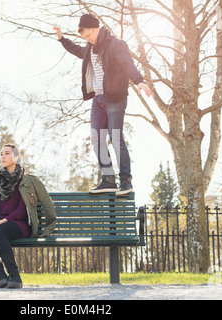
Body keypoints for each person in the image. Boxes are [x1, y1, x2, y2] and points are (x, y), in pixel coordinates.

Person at [53, 13, 151, 195]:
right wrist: (61, 39)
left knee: (115, 137)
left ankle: (125, 181)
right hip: (98, 100)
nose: (87, 40)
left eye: (89, 35)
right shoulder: (89, 49)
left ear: (96, 29)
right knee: (97, 138)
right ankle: (108, 179)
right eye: (84, 38)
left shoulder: (116, 45)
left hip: (115, 97)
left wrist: (139, 81)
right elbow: (76, 50)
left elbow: (128, 64)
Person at [0, 144, 56, 288]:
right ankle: (1, 275)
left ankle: (15, 276)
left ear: (16, 157)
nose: (3, 157)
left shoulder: (28, 180)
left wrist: (3, 221)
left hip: (20, 224)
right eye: (1, 154)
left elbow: (23, 209)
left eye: (7, 153)